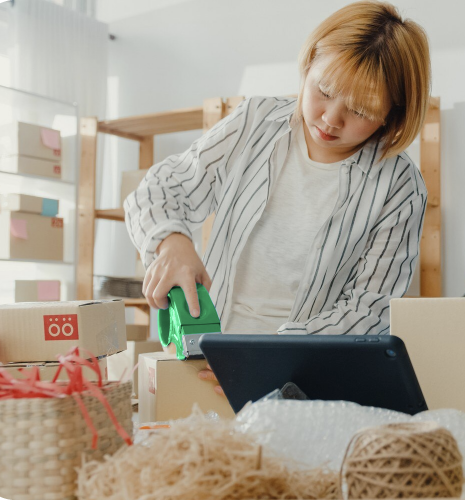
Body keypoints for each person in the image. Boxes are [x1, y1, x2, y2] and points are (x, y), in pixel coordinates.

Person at [126, 2, 430, 347]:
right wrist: (172, 243)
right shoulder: (255, 120)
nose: (331, 119)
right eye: (324, 91)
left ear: (393, 114)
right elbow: (160, 188)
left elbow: (369, 312)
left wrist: (269, 356)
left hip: (304, 375)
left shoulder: (399, 186)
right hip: (205, 351)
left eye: (360, 110)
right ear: (310, 62)